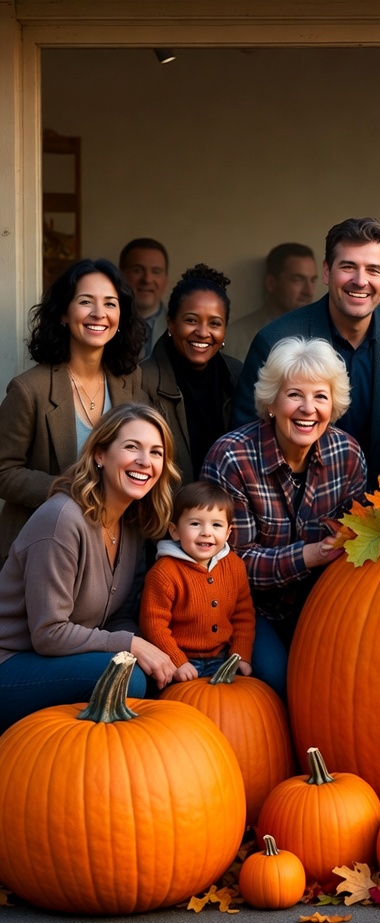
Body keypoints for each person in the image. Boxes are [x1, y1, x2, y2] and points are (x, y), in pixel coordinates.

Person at [0, 403, 182, 730]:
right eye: (132, 447)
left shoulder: (130, 523)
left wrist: (153, 652)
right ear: (100, 454)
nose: (145, 461)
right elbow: (48, 633)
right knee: (130, 680)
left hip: (57, 661)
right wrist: (131, 645)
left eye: (156, 452)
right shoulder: (61, 521)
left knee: (153, 675)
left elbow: (121, 615)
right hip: (11, 665)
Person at [232, 217, 380, 488]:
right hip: (300, 507)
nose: (360, 281)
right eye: (348, 267)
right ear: (327, 272)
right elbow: (246, 439)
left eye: (373, 270)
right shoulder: (275, 339)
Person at [202, 337, 366, 657]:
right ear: (272, 403)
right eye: (294, 395)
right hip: (246, 609)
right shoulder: (232, 458)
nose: (308, 408)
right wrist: (311, 555)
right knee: (276, 683)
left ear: (333, 405)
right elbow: (228, 563)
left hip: (322, 603)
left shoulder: (347, 455)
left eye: (321, 396)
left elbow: (357, 543)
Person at [0, 258, 146, 562]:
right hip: (41, 549)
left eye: (110, 303)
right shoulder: (29, 390)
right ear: (64, 313)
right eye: (85, 302)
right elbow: (3, 471)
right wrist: (70, 489)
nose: (99, 314)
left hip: (113, 548)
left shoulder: (130, 381)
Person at [140, 481, 257, 686]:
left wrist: (241, 654)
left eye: (216, 525)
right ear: (175, 531)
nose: (206, 532)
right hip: (182, 660)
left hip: (223, 658)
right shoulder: (164, 573)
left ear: (228, 533)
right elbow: (154, 624)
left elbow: (243, 615)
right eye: (195, 524)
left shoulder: (234, 566)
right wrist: (177, 661)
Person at [141, 264, 243, 483]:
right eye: (191, 320)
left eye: (214, 323)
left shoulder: (238, 376)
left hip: (224, 511)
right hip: (164, 511)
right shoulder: (140, 380)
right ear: (171, 323)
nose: (203, 332)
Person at [230, 243, 318, 360]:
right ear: (271, 283)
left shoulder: (324, 334)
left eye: (313, 280)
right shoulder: (236, 337)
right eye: (298, 280)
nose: (309, 292)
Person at [119, 237, 169, 356]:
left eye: (156, 271)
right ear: (120, 276)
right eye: (137, 270)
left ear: (166, 279)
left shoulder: (180, 329)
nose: (147, 279)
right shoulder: (103, 324)